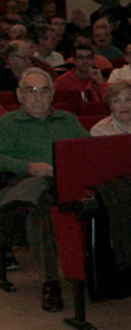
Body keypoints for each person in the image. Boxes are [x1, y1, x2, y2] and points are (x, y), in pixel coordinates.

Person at [0, 67, 88, 310]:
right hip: (20, 191)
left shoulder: (67, 120)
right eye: (31, 91)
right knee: (42, 198)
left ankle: (87, 276)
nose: (38, 97)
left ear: (52, 95)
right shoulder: (7, 123)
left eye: (44, 91)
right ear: (20, 95)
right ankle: (51, 282)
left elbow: (88, 149)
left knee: (45, 204)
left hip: (64, 188)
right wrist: (28, 167)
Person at [90, 80, 131, 153]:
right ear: (110, 106)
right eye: (116, 101)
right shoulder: (100, 130)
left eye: (128, 100)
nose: (123, 106)